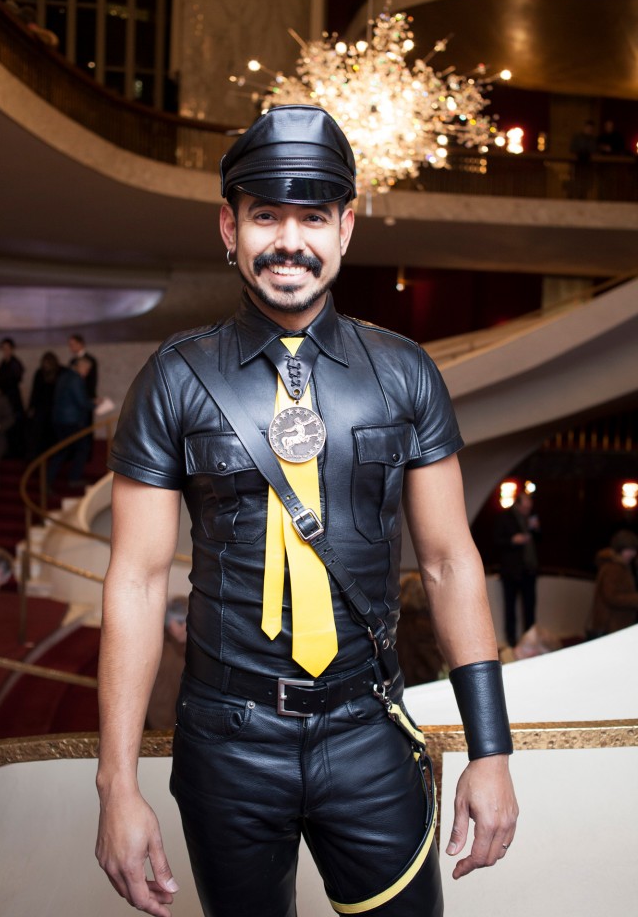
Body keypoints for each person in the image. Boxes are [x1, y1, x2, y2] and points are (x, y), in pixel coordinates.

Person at [96, 105, 518, 917]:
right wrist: (117, 785)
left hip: (369, 732)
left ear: (345, 228)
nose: (289, 241)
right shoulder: (174, 378)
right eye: (265, 216)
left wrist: (490, 750)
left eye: (314, 217)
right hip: (226, 742)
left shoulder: (406, 372)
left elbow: (449, 562)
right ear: (230, 227)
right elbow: (138, 582)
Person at [495, 493, 540, 648]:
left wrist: (536, 529)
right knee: (510, 608)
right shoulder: (505, 517)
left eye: (529, 508)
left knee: (530, 608)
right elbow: (496, 541)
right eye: (525, 508)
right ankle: (512, 642)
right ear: (518, 505)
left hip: (529, 570)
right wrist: (512, 540)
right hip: (512, 571)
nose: (528, 510)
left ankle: (531, 640)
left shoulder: (531, 518)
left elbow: (539, 540)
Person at [46, 357, 94, 489]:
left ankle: (48, 481)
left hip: (59, 419)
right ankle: (73, 478)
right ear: (80, 367)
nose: (87, 372)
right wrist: (95, 405)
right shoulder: (76, 379)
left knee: (63, 450)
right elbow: (81, 402)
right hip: (72, 421)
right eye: (86, 369)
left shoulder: (63, 376)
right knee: (82, 448)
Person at [145, 596, 188, 731]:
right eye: (181, 622)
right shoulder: (163, 655)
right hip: (166, 728)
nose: (186, 627)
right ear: (170, 623)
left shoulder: (186, 647)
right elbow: (159, 703)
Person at [588, 530, 638, 638]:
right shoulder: (613, 568)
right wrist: (635, 599)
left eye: (634, 550)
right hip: (611, 625)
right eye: (630, 550)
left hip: (616, 624)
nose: (633, 554)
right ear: (620, 549)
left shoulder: (622, 566)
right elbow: (611, 597)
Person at [26, 350, 64, 458]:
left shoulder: (60, 372)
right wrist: (31, 407)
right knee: (39, 434)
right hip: (41, 409)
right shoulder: (40, 373)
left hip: (54, 408)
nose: (46, 365)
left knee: (52, 434)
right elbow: (35, 392)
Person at [0, 338, 25, 457]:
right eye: (3, 348)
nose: (5, 351)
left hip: (12, 398)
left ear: (12, 349)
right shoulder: (3, 363)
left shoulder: (15, 363)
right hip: (4, 398)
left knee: (14, 424)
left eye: (7, 348)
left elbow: (15, 379)